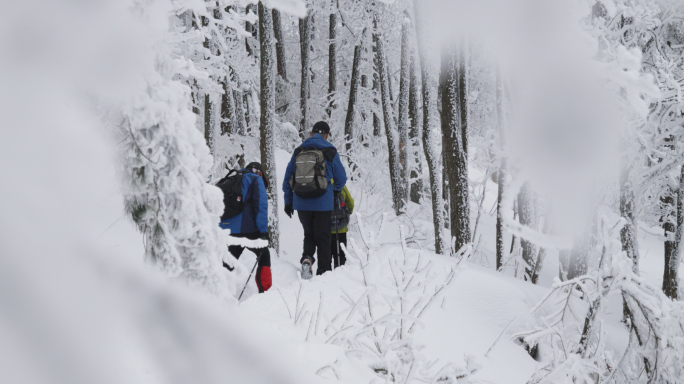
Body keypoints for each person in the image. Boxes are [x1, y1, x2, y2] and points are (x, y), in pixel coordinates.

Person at [283, 121, 347, 278]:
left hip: (301, 202)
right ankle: (323, 273)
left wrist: (288, 201)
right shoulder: (330, 151)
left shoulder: (299, 150)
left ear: (311, 133)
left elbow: (288, 178)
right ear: (326, 135)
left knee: (309, 234)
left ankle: (307, 259)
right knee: (323, 237)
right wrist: (335, 191)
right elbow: (341, 178)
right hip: (323, 203)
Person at [219, 162, 272, 293]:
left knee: (229, 259)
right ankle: (265, 292)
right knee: (264, 255)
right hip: (248, 229)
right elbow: (261, 206)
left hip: (228, 229)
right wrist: (263, 231)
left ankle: (218, 290)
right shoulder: (255, 179)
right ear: (259, 172)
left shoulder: (233, 178)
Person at [331, 185, 354, 267]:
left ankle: (325, 277)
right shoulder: (340, 184)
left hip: (326, 229)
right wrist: (347, 213)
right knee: (341, 256)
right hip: (341, 228)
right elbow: (350, 203)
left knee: (326, 258)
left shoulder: (322, 182)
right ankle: (340, 275)